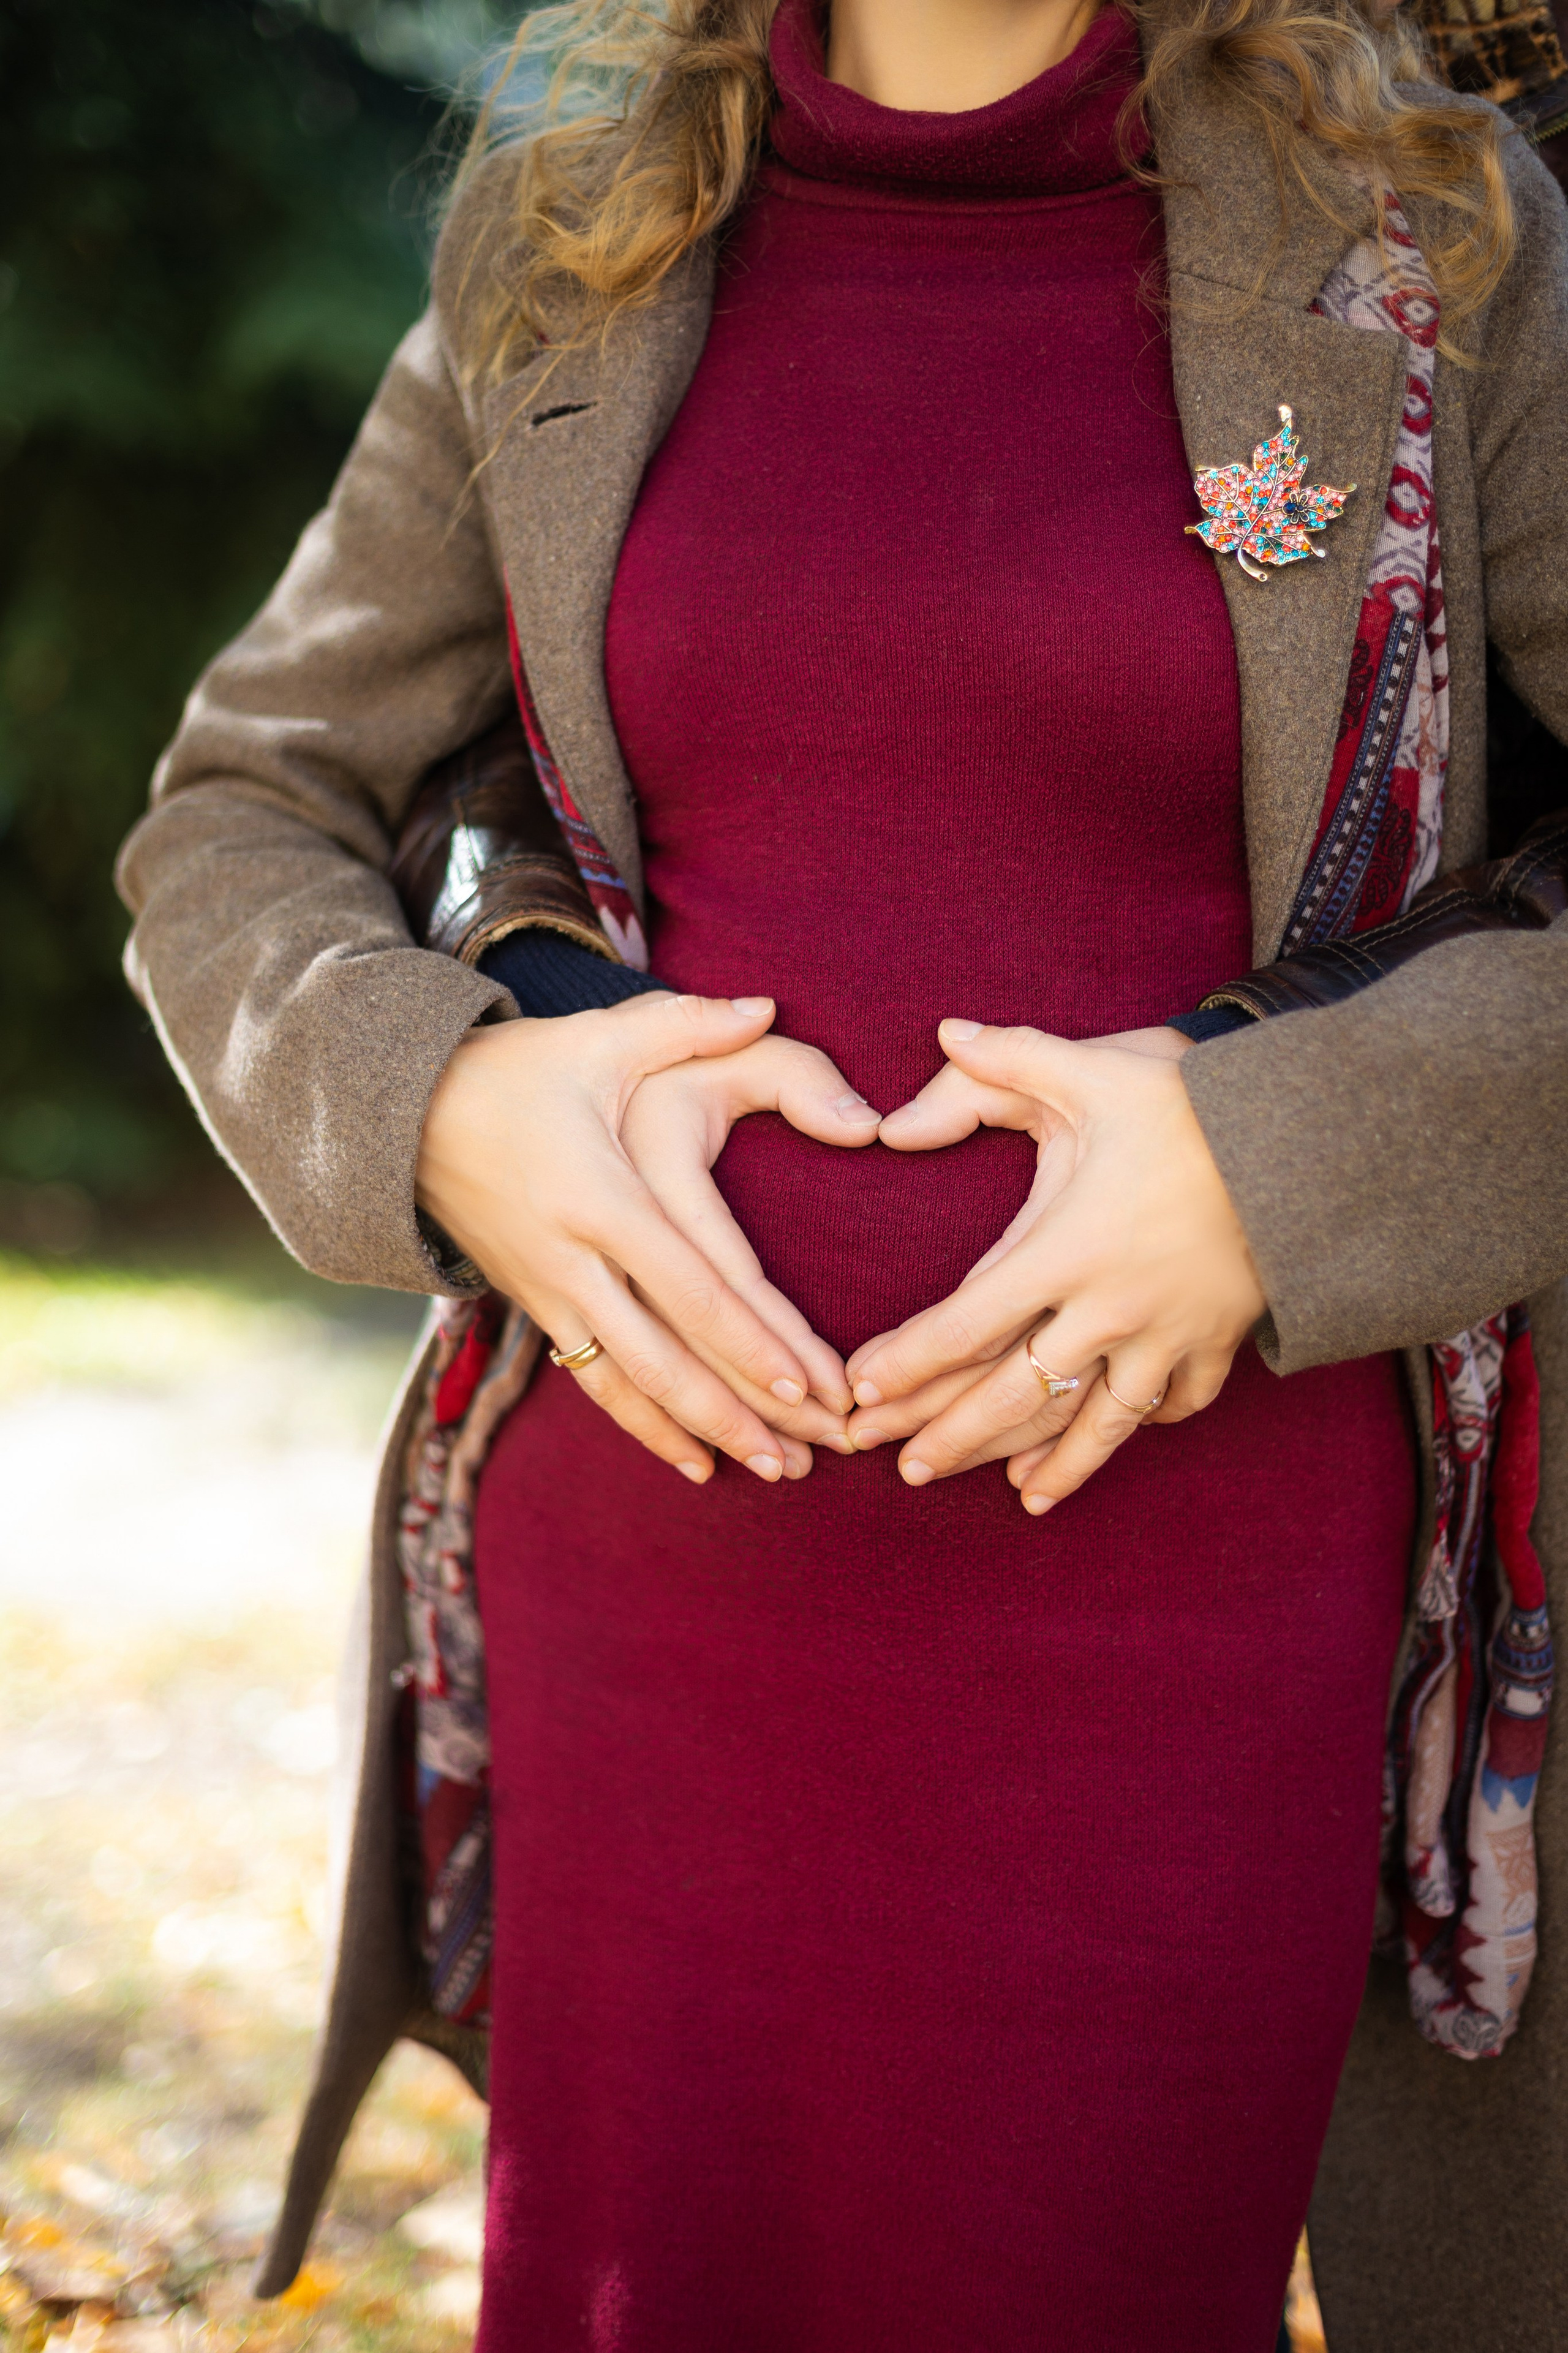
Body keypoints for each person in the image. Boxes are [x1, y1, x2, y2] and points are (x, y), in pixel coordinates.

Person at [118, 0, 1568, 2344]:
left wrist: (1284, 1155)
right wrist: (447, 1101)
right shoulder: (567, 238)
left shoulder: (1432, 242)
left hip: (1193, 1663)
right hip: (647, 1632)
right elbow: (242, 809)